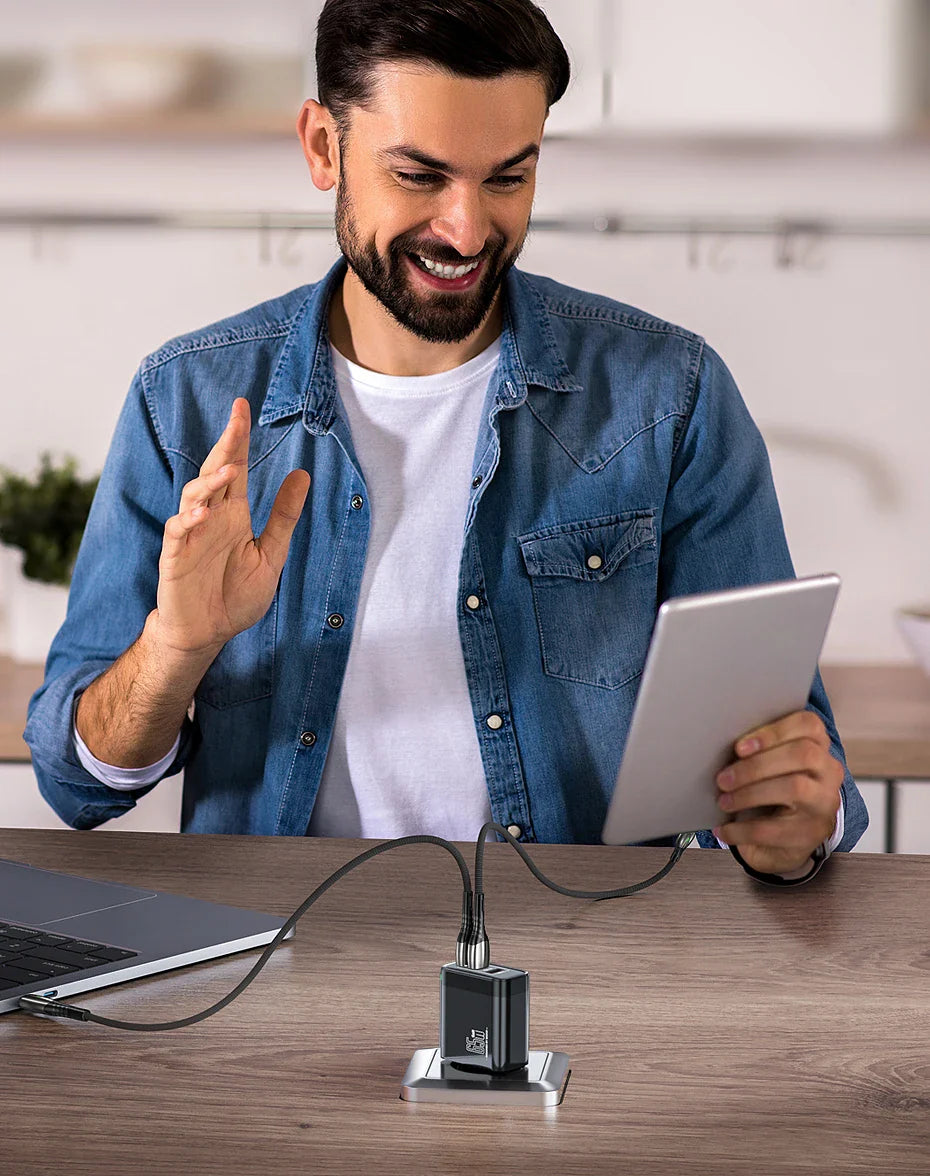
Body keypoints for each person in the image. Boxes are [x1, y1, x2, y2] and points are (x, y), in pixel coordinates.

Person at [26, 0, 867, 885]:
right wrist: (174, 650)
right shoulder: (188, 402)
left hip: (595, 960)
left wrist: (797, 820)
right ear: (323, 148)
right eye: (420, 176)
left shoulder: (670, 397)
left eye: (508, 178)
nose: (467, 232)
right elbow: (75, 786)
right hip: (272, 963)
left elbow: (791, 770)